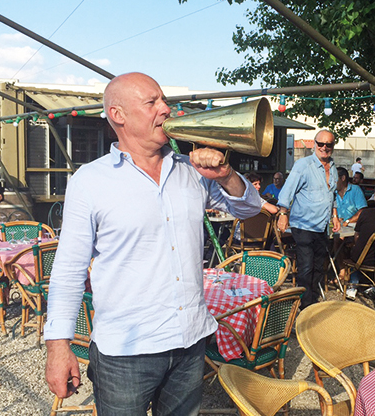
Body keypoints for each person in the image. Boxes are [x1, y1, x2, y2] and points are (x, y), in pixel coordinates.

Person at [44, 72, 261, 416]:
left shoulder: (191, 170)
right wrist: (58, 347)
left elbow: (249, 208)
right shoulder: (90, 181)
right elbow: (68, 270)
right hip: (124, 352)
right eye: (152, 103)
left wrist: (227, 175)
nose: (166, 109)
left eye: (164, 101)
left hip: (190, 343)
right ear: (118, 115)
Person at [276, 129, 340, 308]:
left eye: (329, 145)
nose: (324, 148)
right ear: (314, 143)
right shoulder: (303, 165)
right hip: (303, 224)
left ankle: (311, 300)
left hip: (321, 226)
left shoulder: (333, 167)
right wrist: (283, 214)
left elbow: (332, 194)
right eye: (321, 144)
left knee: (319, 266)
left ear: (333, 146)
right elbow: (287, 190)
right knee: (306, 267)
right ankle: (304, 307)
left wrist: (335, 216)